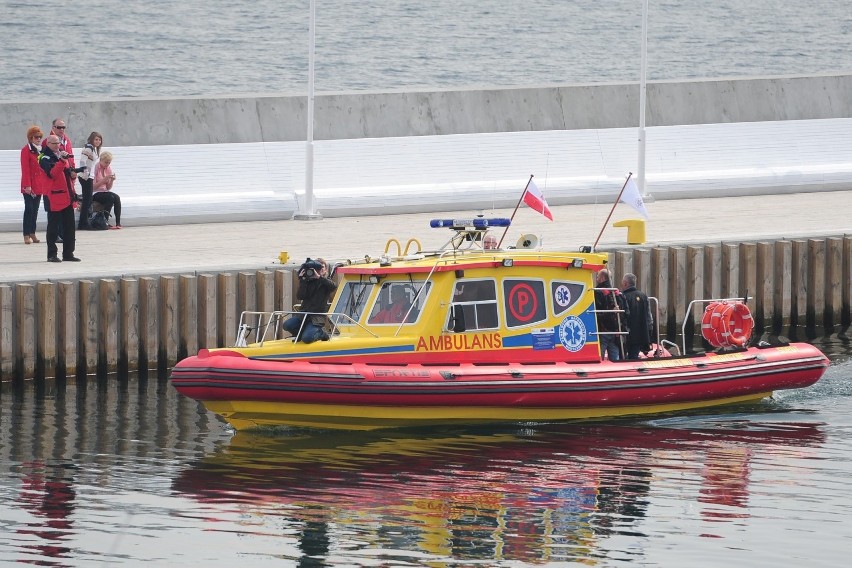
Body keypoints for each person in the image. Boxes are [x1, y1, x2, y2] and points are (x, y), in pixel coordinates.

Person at [39, 135, 80, 262]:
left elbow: (66, 175)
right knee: (53, 227)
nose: (58, 146)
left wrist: (73, 175)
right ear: (48, 144)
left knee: (69, 227)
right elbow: (52, 174)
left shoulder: (61, 156)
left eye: (59, 143)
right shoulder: (44, 157)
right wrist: (62, 161)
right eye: (55, 143)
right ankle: (51, 254)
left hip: (67, 196)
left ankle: (68, 253)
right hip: (53, 196)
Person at [283, 258, 337, 343]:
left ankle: (322, 333)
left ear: (325, 269)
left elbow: (333, 286)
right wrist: (302, 281)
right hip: (303, 314)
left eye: (322, 268)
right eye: (317, 268)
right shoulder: (308, 281)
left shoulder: (326, 282)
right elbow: (300, 296)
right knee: (287, 325)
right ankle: (301, 334)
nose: (319, 270)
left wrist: (319, 277)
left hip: (317, 317)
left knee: (307, 339)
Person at [594, 268, 627, 361]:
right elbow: (626, 312)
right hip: (616, 331)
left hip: (602, 331)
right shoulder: (618, 294)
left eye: (597, 277)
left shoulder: (597, 292)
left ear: (602, 278)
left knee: (599, 358)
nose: (596, 279)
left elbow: (596, 313)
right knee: (615, 358)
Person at [621, 273, 654, 360]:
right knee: (634, 355)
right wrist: (649, 330)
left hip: (627, 333)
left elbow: (622, 316)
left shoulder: (623, 296)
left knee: (622, 355)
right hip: (640, 333)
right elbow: (648, 315)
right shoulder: (643, 296)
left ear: (625, 283)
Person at [20, 125, 44, 245]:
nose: (38, 139)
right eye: (36, 137)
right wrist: (27, 185)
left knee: (35, 210)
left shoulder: (40, 150)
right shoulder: (26, 150)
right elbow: (25, 169)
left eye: (40, 137)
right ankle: (26, 233)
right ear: (31, 138)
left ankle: (32, 232)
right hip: (29, 185)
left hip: (38, 184)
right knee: (29, 209)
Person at [77, 131, 103, 229]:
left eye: (99, 140)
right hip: (85, 177)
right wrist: (86, 172)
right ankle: (83, 223)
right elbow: (82, 160)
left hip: (89, 176)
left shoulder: (94, 149)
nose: (98, 141)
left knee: (88, 200)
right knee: (87, 200)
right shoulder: (89, 147)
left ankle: (84, 222)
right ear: (92, 139)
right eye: (96, 139)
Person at [92, 151, 122, 228]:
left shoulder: (108, 168)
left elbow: (108, 187)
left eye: (109, 163)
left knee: (117, 197)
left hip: (105, 191)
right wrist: (103, 180)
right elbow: (93, 187)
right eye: (106, 162)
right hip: (96, 193)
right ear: (100, 160)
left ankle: (118, 223)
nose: (107, 164)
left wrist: (111, 180)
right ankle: (105, 221)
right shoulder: (96, 168)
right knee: (110, 198)